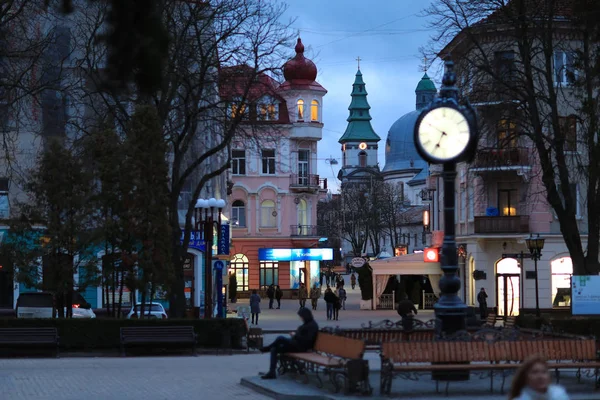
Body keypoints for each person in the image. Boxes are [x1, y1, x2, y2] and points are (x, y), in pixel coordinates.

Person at [259, 307, 319, 380]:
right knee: (274, 349)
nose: (301, 318)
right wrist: (295, 335)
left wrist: (295, 335)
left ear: (305, 316)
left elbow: (307, 340)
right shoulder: (307, 323)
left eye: (301, 317)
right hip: (296, 345)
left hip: (302, 347)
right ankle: (272, 372)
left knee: (280, 338)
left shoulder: (312, 325)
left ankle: (266, 349)